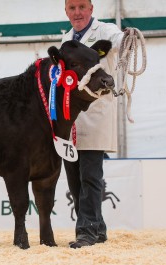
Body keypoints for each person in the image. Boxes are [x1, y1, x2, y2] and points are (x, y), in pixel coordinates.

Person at [62, 0, 124, 248]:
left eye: (82, 7)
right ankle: (97, 228)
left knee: (90, 174)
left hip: (95, 113)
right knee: (74, 177)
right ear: (66, 11)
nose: (77, 12)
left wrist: (126, 39)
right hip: (70, 119)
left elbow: (119, 41)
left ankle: (86, 231)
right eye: (72, 8)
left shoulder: (105, 31)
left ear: (91, 9)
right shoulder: (66, 39)